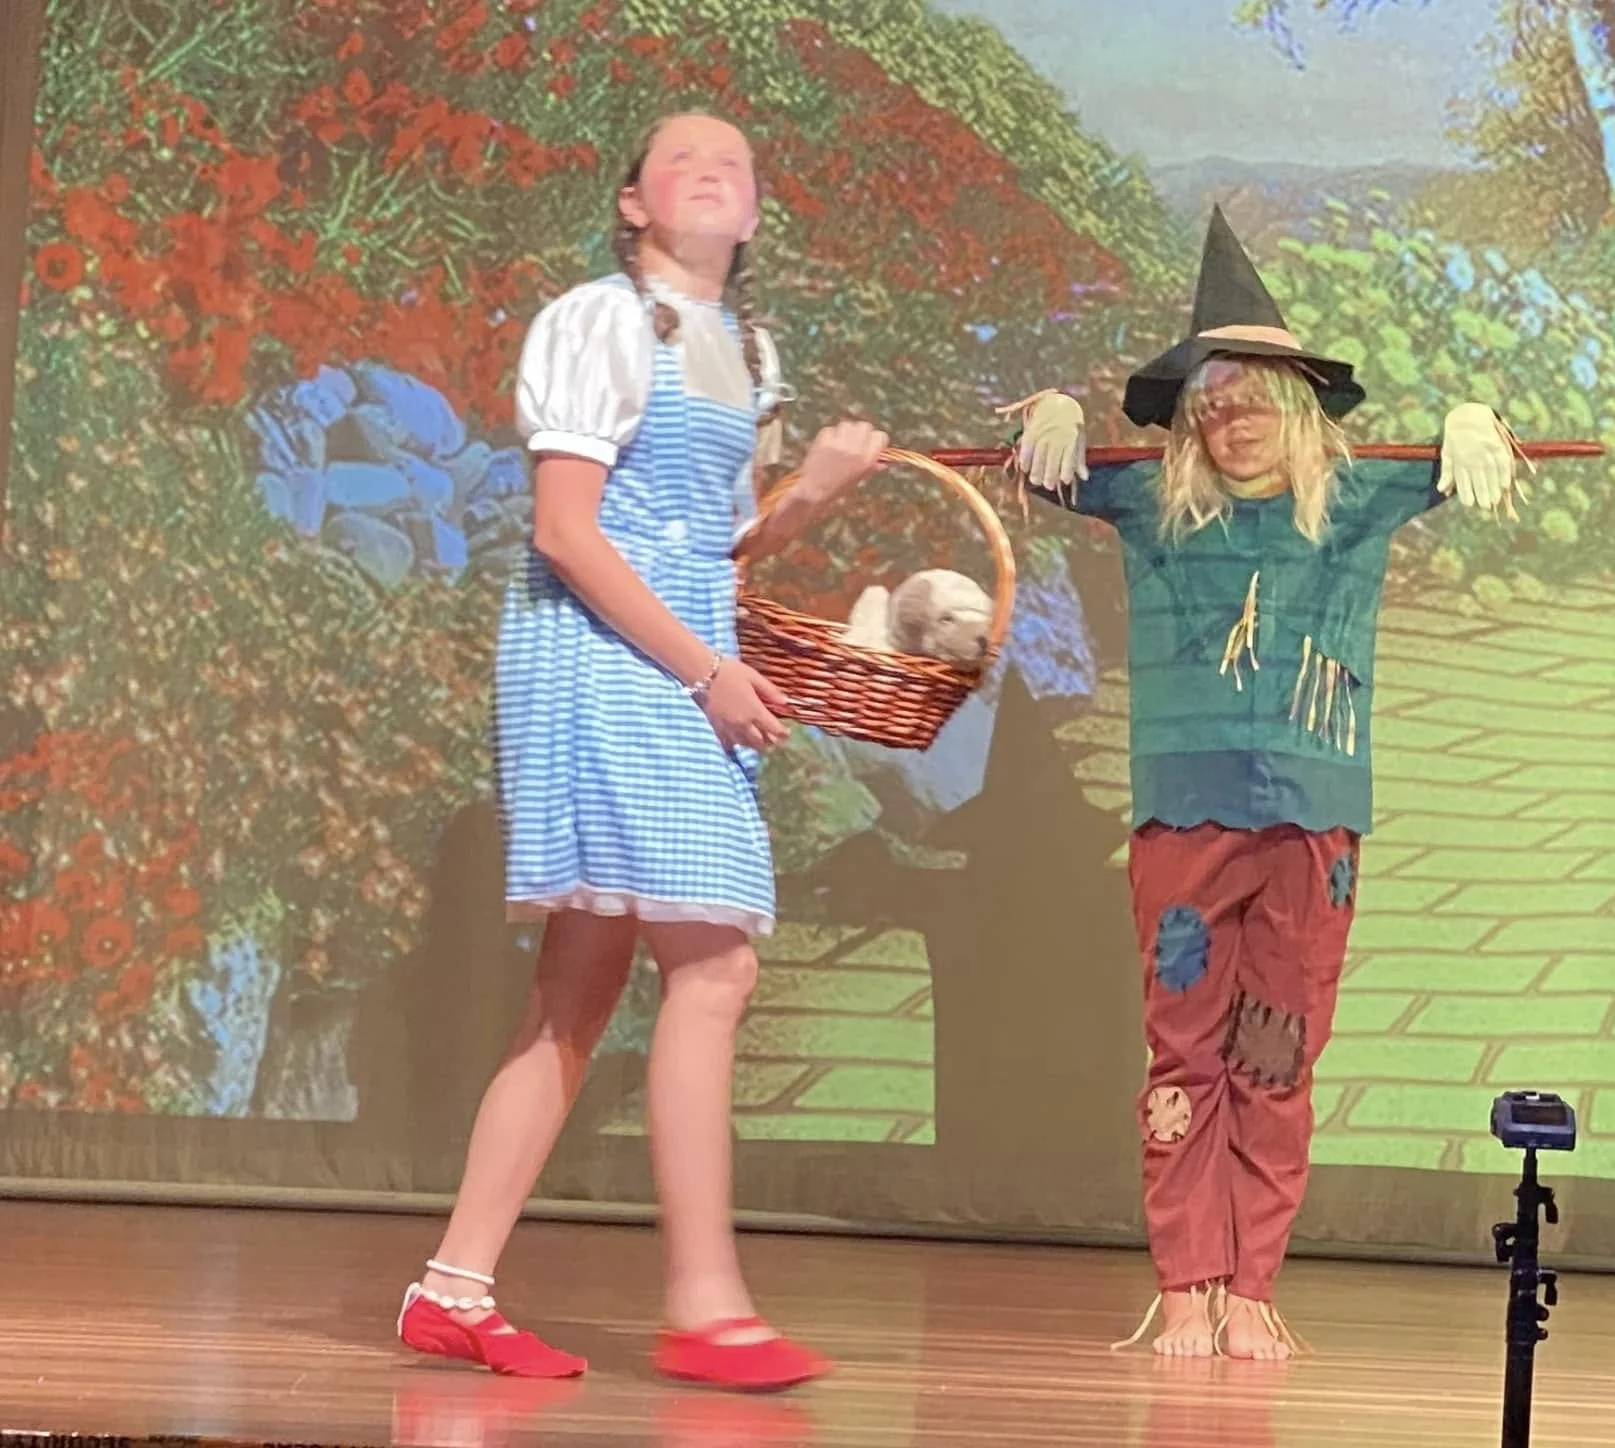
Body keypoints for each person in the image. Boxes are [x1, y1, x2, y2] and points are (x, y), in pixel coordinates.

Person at [394, 112, 887, 1390]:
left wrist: (816, 491)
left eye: (736, 159)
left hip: (676, 648)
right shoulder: (597, 321)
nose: (714, 167)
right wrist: (708, 670)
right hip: (603, 655)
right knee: (713, 958)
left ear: (757, 213)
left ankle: (452, 1284)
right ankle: (706, 1302)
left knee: (580, 986)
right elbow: (568, 530)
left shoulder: (745, 345)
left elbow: (718, 545)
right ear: (631, 203)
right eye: (681, 157)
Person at [1009, 208, 1523, 1361]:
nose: (1232, 420)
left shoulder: (1353, 499)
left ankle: (1251, 1282)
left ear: (1297, 405)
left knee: (1276, 1052)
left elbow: (1455, 463)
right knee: (1182, 1049)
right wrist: (1050, 415)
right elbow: (1043, 475)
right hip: (1182, 817)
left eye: (1252, 399)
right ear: (1191, 421)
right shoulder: (1149, 500)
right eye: (1211, 404)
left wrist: (1469, 417)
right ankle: (1184, 1279)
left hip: (1312, 817)